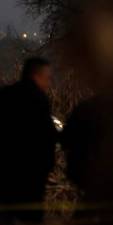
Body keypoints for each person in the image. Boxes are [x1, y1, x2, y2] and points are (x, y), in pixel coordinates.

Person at [0, 57, 58, 223]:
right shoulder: (39, 100)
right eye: (47, 78)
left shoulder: (5, 94)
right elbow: (47, 136)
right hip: (31, 175)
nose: (48, 83)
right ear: (37, 76)